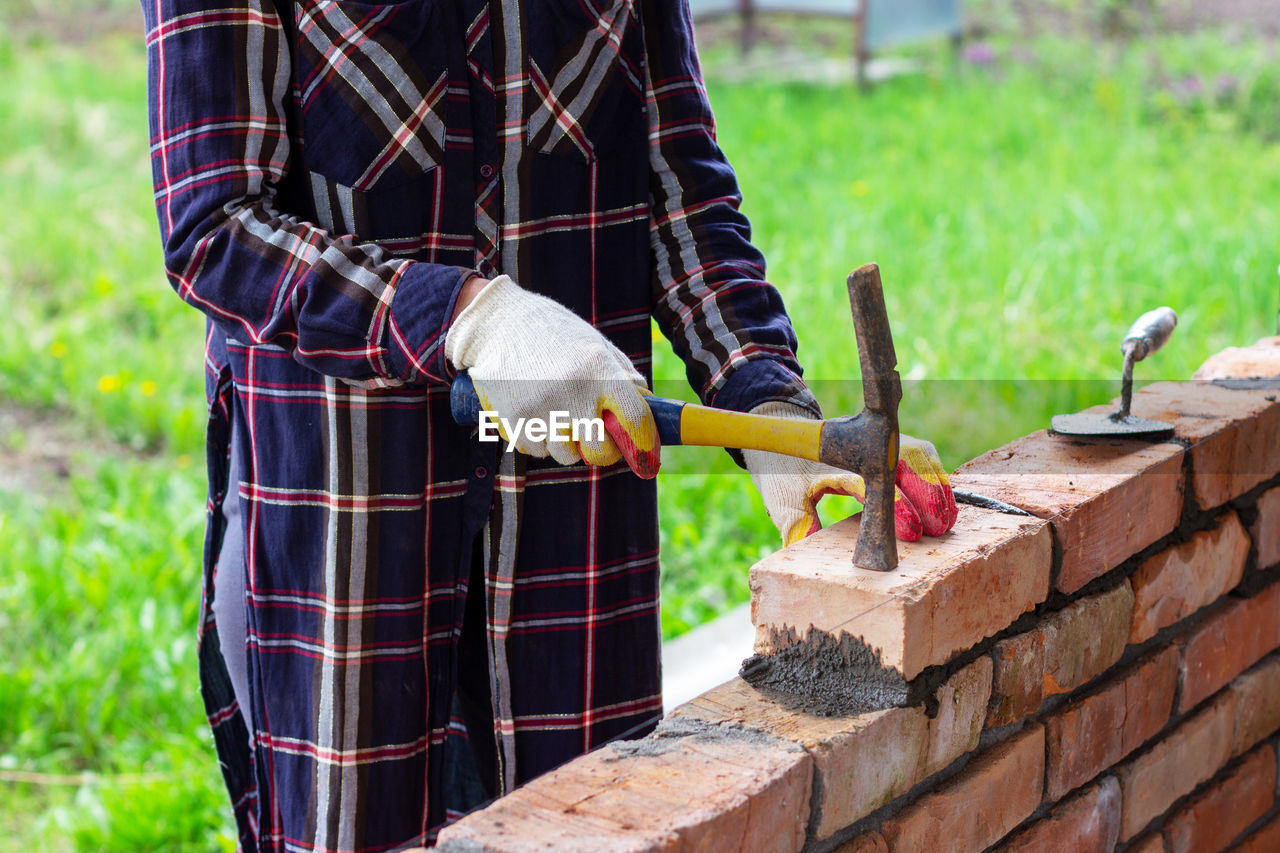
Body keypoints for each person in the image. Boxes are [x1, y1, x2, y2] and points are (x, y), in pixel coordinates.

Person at [141, 0, 957, 849]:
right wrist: (466, 316)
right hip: (345, 534)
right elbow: (213, 226)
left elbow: (678, 186)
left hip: (567, 547)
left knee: (587, 825)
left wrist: (766, 407)